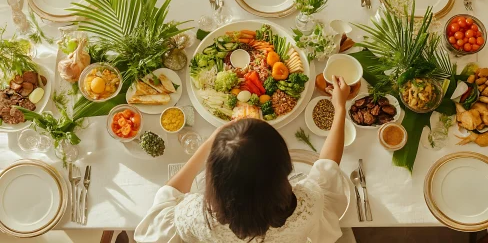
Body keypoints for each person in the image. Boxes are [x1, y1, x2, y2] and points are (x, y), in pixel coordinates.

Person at [135, 76, 351, 243]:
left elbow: (165, 199)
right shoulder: (308, 204)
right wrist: (340, 108)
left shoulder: (197, 215)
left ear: (213, 174)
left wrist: (212, 141)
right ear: (285, 167)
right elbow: (328, 165)